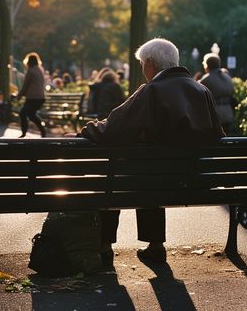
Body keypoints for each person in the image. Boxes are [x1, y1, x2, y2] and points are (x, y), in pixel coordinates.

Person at [76, 38, 224, 266]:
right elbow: (217, 135)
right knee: (149, 174)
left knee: (116, 176)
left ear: (151, 63)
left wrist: (86, 131)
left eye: (142, 63)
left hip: (155, 180)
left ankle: (104, 245)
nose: (142, 68)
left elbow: (114, 129)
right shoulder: (201, 90)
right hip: (195, 180)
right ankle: (155, 245)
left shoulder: (152, 90)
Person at [199, 53, 235, 133]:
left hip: (214, 115)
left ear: (207, 65)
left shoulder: (206, 79)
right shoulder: (227, 77)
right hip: (228, 113)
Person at [17, 52, 46, 138]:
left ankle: (24, 133)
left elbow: (25, 86)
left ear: (29, 62)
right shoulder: (40, 70)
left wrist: (19, 96)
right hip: (41, 98)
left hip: (33, 98)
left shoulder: (31, 71)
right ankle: (42, 131)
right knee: (31, 115)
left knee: (23, 113)